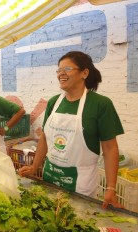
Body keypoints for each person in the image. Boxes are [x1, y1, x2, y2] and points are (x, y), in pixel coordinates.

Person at [19, 51, 124, 209]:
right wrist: (35, 167)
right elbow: (45, 139)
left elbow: (110, 149)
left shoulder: (100, 104)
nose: (61, 74)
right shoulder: (54, 102)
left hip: (80, 185)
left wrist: (111, 188)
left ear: (84, 73)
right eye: (59, 70)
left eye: (67, 69)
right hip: (50, 177)